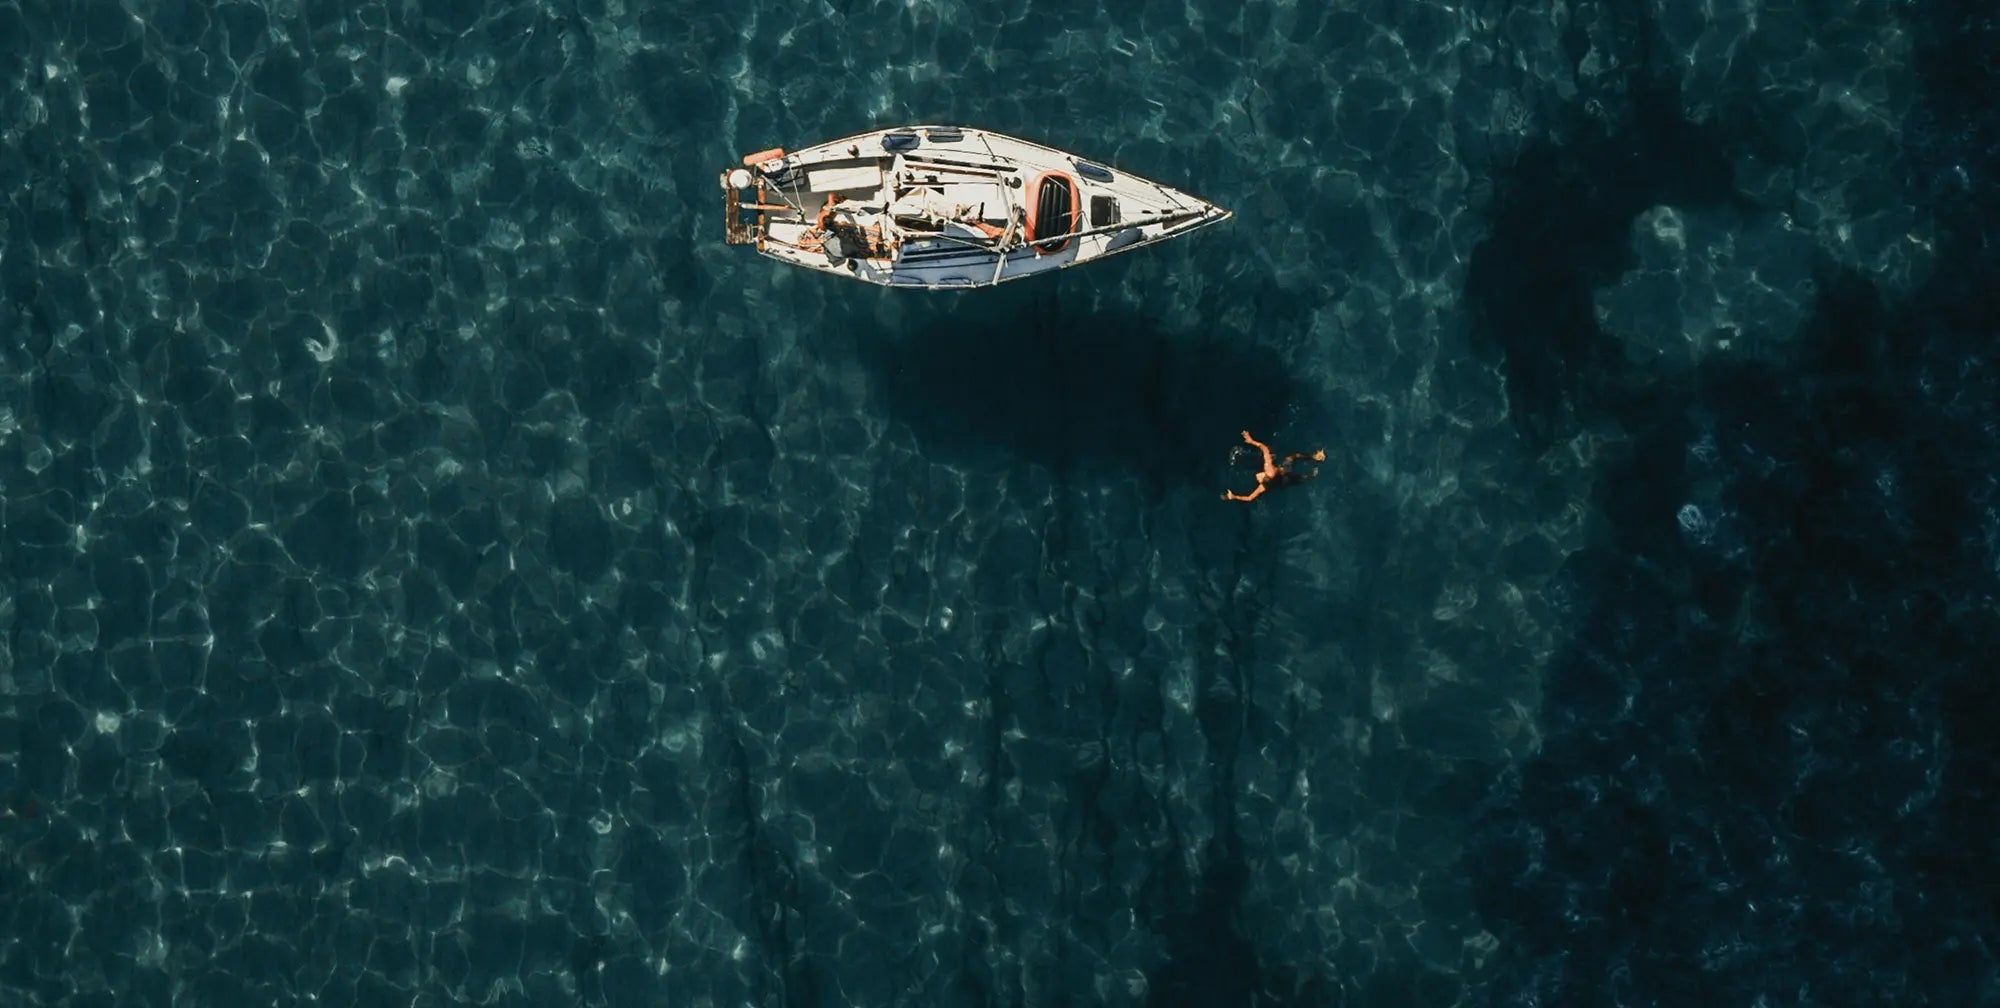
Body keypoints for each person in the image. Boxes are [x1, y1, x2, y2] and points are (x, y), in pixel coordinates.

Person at [1221, 430, 1324, 502]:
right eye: (1260, 478)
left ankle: (1312, 473)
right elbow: (1264, 448)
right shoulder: (1269, 470)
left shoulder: (1263, 487)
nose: (1258, 477)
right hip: (1283, 473)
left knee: (1299, 477)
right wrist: (1251, 441)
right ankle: (1315, 458)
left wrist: (1234, 496)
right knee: (1293, 458)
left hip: (1283, 481)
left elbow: (1249, 498)